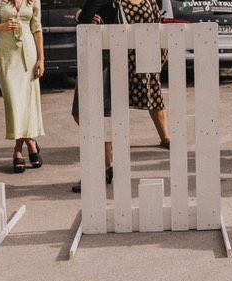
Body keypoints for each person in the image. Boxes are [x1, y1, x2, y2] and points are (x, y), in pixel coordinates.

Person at [0, 0, 45, 174]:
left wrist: (41, 59)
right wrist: (0, 27)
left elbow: (37, 29)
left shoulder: (33, 1)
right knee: (13, 102)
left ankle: (19, 148)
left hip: (29, 54)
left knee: (27, 101)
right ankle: (30, 141)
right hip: (6, 55)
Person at [71, 0, 117, 193]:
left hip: (98, 56)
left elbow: (87, 16)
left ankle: (99, 169)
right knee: (101, 114)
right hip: (109, 54)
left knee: (86, 114)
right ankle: (107, 166)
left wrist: (81, 16)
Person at [121, 0, 171, 149]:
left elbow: (158, 26)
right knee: (118, 99)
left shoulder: (150, 2)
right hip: (123, 55)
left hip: (147, 54)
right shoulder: (117, 2)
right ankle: (116, 138)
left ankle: (165, 137)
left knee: (155, 95)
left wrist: (162, 54)